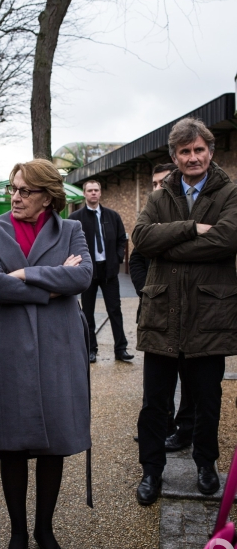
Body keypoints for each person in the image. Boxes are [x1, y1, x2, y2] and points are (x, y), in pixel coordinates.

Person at [0, 159, 93, 549]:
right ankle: (18, 533)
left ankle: (45, 528)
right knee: (12, 446)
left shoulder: (72, 229)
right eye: (12, 188)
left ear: (47, 197)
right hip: (8, 344)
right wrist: (48, 281)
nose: (15, 197)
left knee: (54, 444)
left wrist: (22, 273)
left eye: (25, 191)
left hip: (58, 345)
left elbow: (82, 278)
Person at [132, 117, 237, 506]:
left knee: (208, 400)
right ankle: (151, 471)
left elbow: (228, 240)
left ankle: (206, 464)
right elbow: (141, 238)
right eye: (184, 151)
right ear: (174, 157)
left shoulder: (229, 192)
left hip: (210, 314)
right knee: (155, 402)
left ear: (210, 151)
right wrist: (193, 227)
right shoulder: (160, 196)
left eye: (198, 149)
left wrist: (169, 242)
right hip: (163, 314)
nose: (193, 157)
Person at [130, 163, 195, 449]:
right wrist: (149, 293)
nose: (157, 188)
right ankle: (160, 428)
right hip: (155, 308)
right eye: (154, 183)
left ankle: (184, 431)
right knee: (156, 384)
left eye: (162, 182)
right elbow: (136, 259)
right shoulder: (150, 215)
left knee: (191, 380)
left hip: (189, 312)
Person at [69, 181, 134, 363]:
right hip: (88, 272)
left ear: (100, 193)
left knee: (115, 311)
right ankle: (91, 349)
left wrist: (118, 257)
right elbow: (70, 242)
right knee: (87, 313)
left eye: (96, 190)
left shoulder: (112, 216)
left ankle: (121, 349)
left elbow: (122, 238)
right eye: (90, 191)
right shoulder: (76, 218)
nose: (93, 194)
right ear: (84, 194)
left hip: (109, 271)